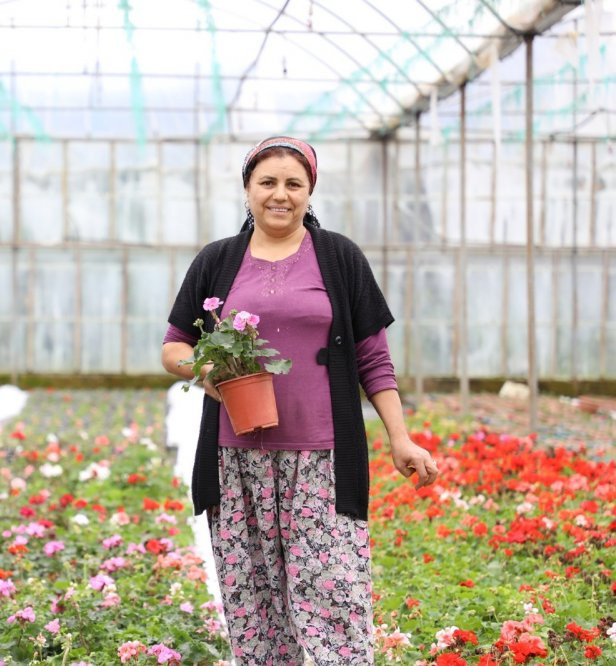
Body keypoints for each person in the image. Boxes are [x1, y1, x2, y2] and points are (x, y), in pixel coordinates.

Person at [161, 136, 439, 665]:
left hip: (323, 460)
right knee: (257, 609)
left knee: (335, 600)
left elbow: (373, 359)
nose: (280, 194)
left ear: (311, 190)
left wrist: (399, 438)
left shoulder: (339, 257)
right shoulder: (217, 260)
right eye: (267, 182)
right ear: (247, 189)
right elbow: (175, 345)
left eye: (294, 183)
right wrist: (207, 368)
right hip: (236, 460)